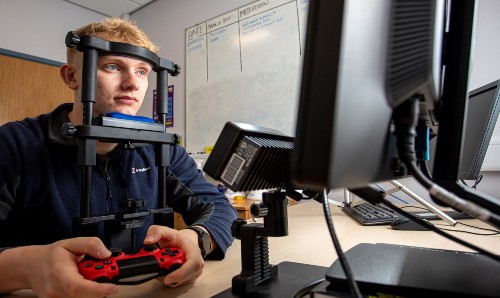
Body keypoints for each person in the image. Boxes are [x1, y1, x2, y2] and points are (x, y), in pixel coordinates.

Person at [0, 17, 237, 297]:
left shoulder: (161, 147)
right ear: (72, 77)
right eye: (112, 67)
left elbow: (219, 207)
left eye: (142, 71)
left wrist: (197, 238)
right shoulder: (13, 145)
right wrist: (27, 267)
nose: (132, 84)